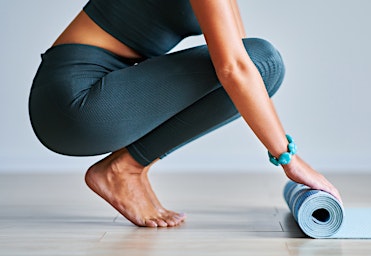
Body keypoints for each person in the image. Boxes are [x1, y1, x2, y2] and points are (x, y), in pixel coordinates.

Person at [28, 0, 341, 228]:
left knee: (262, 70)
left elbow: (241, 62)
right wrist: (290, 159)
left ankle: (127, 167)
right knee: (262, 62)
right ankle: (124, 169)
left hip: (96, 98)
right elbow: (237, 67)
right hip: (72, 100)